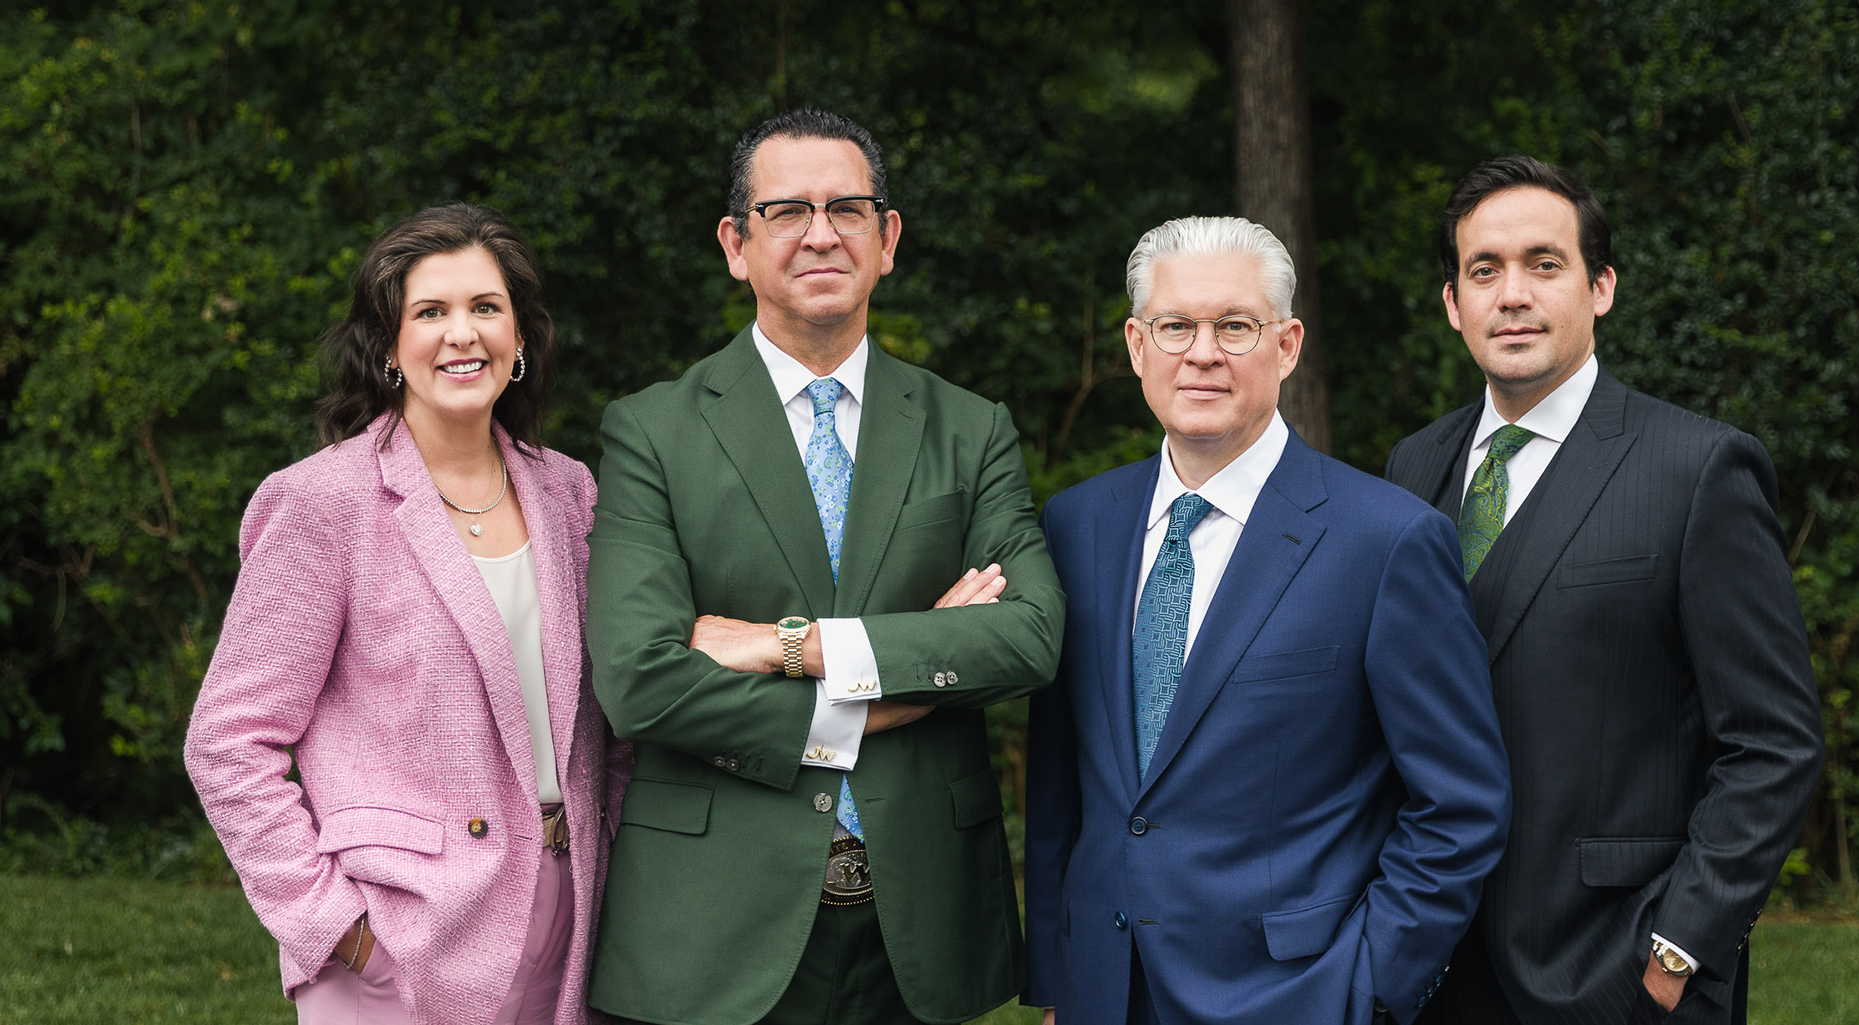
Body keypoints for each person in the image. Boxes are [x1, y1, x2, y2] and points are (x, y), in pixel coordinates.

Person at [583, 108, 1064, 1025]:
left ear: (886, 239)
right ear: (736, 244)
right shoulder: (652, 430)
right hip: (715, 920)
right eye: (786, 210)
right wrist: (886, 693)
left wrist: (789, 645)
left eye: (847, 207)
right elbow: (641, 681)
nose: (819, 231)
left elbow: (1029, 634)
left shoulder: (969, 428)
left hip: (918, 922)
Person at [1024, 216, 1511, 1025]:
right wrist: (1057, 977)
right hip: (1103, 991)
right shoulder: (1077, 525)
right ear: (1137, 344)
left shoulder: (1385, 541)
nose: (1203, 351)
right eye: (1175, 325)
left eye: (1235, 326)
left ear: (1286, 345)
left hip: (1298, 994)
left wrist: (1371, 985)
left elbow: (1460, 804)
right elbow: (1059, 782)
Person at [1383, 155, 1825, 1025]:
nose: (1512, 294)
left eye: (1544, 264)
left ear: (1602, 288)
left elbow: (1774, 742)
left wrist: (1679, 947)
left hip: (1616, 975)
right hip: (1431, 971)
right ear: (1452, 304)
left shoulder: (1696, 468)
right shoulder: (1412, 467)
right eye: (1485, 270)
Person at [185, 202, 620, 1025]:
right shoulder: (323, 503)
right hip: (396, 934)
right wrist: (337, 930)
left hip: (571, 918)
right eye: (431, 312)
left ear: (520, 339)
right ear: (389, 346)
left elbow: (610, 721)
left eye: (487, 308)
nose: (464, 333)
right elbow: (228, 740)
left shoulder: (571, 494)